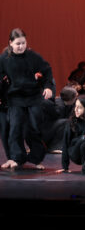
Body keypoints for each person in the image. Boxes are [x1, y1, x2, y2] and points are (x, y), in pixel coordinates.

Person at [0, 28, 54, 170]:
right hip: (15, 98)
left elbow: (47, 70)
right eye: (18, 44)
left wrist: (48, 87)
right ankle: (17, 158)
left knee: (33, 128)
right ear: (10, 43)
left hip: (33, 96)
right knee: (15, 128)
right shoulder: (4, 58)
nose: (21, 46)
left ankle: (36, 158)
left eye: (23, 43)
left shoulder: (33, 56)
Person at [39, 86, 78, 154]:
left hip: (51, 128)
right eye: (75, 97)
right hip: (45, 131)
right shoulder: (58, 106)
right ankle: (54, 147)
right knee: (66, 122)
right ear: (71, 98)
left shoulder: (68, 104)